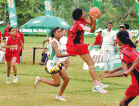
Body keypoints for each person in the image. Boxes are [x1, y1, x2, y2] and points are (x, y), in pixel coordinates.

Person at [66, 8, 108, 93]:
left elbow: (91, 24)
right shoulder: (79, 25)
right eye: (82, 14)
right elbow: (92, 30)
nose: (84, 14)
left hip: (76, 44)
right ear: (80, 16)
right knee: (91, 64)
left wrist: (92, 18)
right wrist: (95, 19)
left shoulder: (81, 20)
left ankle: (96, 83)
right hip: (77, 45)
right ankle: (96, 86)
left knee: (91, 63)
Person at [98, 30, 139, 106]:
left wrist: (107, 75)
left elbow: (124, 73)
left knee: (122, 103)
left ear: (117, 39)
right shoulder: (131, 47)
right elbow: (130, 65)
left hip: (137, 82)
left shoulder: (123, 52)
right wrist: (114, 70)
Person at [34, 27, 72, 101]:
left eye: (61, 31)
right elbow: (57, 54)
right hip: (53, 64)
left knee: (66, 79)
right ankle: (39, 79)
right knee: (57, 83)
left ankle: (59, 96)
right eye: (58, 32)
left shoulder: (58, 41)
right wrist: (69, 54)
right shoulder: (54, 42)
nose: (60, 33)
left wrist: (69, 51)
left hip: (58, 63)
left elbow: (59, 50)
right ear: (54, 33)